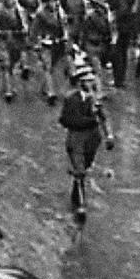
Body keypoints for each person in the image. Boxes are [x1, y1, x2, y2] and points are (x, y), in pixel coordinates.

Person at [58, 65, 115, 217]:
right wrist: (90, 121)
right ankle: (81, 206)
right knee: (80, 170)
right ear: (80, 82)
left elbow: (103, 117)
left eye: (91, 80)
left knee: (85, 167)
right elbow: (66, 120)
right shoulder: (71, 99)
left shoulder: (94, 99)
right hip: (76, 139)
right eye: (87, 80)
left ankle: (76, 195)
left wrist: (109, 135)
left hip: (92, 140)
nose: (91, 83)